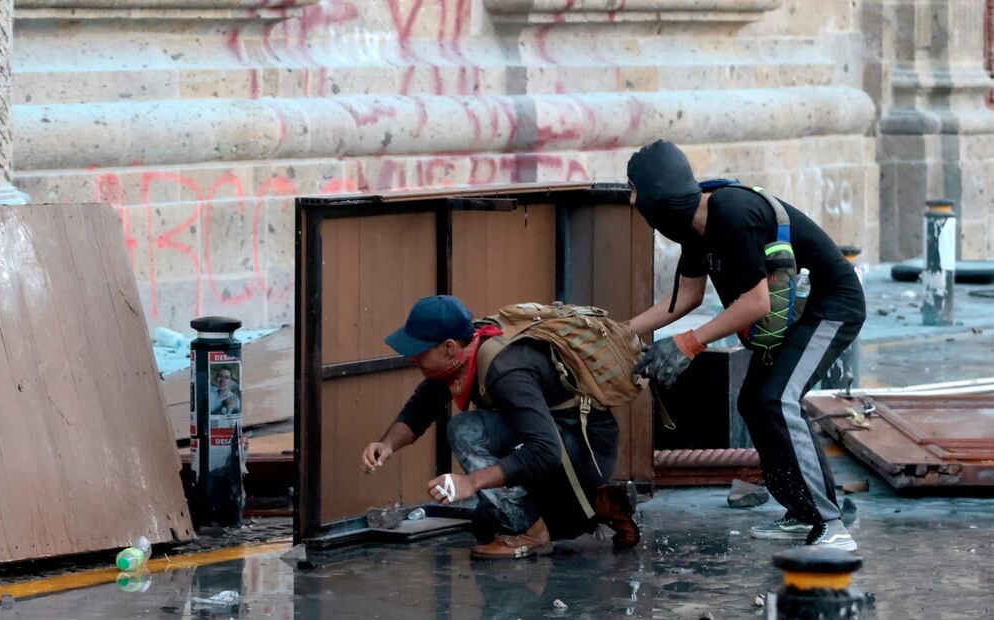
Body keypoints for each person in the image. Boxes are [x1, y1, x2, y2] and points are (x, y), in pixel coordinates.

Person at [626, 140, 865, 551]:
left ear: (658, 193)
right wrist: (622, 330)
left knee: (778, 400)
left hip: (831, 305)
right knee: (755, 401)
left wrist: (689, 343)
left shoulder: (731, 214)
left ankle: (830, 524)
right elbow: (687, 297)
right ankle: (801, 512)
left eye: (635, 190)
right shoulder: (695, 229)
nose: (632, 201)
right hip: (796, 313)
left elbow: (756, 303)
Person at [361, 295, 640, 559]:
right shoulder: (464, 353)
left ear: (449, 347)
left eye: (419, 350)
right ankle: (596, 504)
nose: (413, 358)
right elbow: (422, 407)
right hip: (556, 439)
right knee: (484, 523)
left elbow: (546, 450)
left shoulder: (505, 371)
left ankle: (532, 529)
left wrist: (470, 483)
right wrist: (386, 445)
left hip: (583, 449)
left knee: (466, 434)